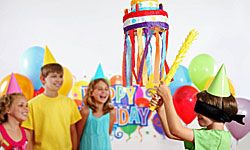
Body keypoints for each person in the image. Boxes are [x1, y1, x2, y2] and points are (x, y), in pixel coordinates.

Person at [151, 64, 245, 150]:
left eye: (202, 109)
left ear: (215, 113)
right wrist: (161, 110)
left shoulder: (216, 138)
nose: (196, 113)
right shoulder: (211, 134)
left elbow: (176, 130)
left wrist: (167, 97)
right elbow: (172, 134)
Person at [22, 63, 82, 150]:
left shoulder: (70, 103)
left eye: (61, 76)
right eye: (54, 76)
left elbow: (73, 132)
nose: (58, 80)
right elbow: (29, 137)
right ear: (43, 79)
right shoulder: (32, 104)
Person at [76, 64, 115, 150]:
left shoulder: (111, 112)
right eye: (100, 89)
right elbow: (77, 136)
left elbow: (107, 134)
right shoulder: (85, 112)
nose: (103, 92)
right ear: (91, 92)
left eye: (106, 89)